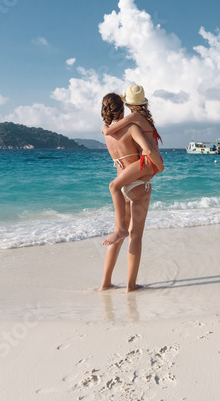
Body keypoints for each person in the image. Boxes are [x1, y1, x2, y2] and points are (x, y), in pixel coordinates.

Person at [98, 92, 157, 292]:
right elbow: (147, 150)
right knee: (135, 236)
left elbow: (108, 131)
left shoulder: (107, 134)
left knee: (119, 233)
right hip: (138, 185)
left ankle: (105, 283)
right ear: (122, 108)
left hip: (122, 186)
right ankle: (131, 286)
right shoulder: (131, 128)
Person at [100, 85, 164, 248]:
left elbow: (109, 132)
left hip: (148, 161)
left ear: (128, 104)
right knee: (116, 186)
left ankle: (120, 229)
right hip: (152, 161)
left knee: (114, 185)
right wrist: (160, 167)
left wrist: (104, 127)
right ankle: (120, 229)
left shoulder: (133, 118)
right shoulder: (143, 118)